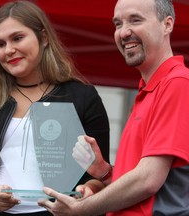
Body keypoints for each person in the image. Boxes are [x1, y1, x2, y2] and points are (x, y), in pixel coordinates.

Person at [0, 1, 110, 216]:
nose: (9, 50)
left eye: (18, 38)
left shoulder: (82, 96)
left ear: (44, 38)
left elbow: (99, 173)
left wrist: (89, 189)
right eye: (0, 44)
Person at [38, 0, 189, 215]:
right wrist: (105, 172)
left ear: (167, 25)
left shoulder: (178, 83)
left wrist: (81, 209)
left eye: (135, 20)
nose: (124, 32)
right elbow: (146, 181)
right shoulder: (150, 90)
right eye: (118, 24)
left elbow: (148, 180)